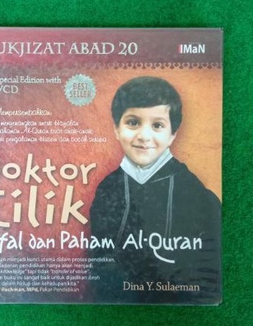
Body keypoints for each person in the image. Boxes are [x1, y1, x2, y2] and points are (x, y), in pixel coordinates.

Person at [88, 76, 221, 304]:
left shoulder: (194, 194)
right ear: (116, 129)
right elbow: (99, 263)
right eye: (133, 122)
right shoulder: (107, 189)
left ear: (172, 134)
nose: (144, 136)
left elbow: (209, 276)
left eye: (157, 125)